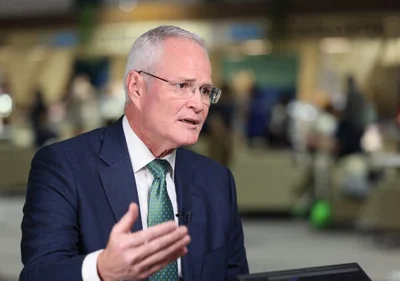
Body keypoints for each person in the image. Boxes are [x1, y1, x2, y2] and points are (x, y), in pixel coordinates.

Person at [20, 25, 249, 281]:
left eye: (205, 91)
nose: (198, 104)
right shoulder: (63, 166)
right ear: (136, 87)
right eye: (183, 86)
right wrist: (100, 270)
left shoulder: (217, 181)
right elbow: (38, 273)